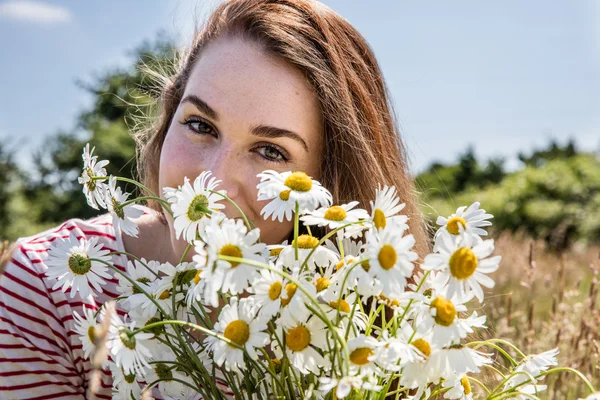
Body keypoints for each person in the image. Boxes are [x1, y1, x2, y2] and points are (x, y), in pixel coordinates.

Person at [0, 0, 431, 398]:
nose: (213, 183)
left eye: (271, 152)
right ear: (169, 118)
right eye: (200, 125)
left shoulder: (365, 330)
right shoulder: (43, 289)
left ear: (325, 187)